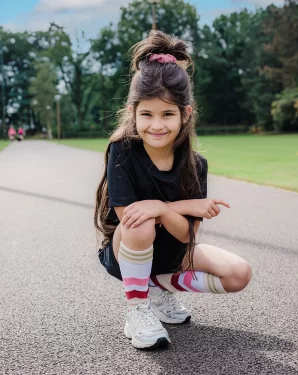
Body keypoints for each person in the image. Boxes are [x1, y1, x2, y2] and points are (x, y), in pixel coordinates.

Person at [94, 30, 252, 350]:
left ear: (185, 114)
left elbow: (185, 237)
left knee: (239, 274)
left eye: (167, 114)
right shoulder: (122, 150)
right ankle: (137, 309)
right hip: (127, 252)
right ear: (133, 112)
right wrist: (180, 206)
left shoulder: (196, 165)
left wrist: (165, 208)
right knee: (142, 219)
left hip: (173, 255)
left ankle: (157, 288)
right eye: (147, 114)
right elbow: (132, 216)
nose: (157, 125)